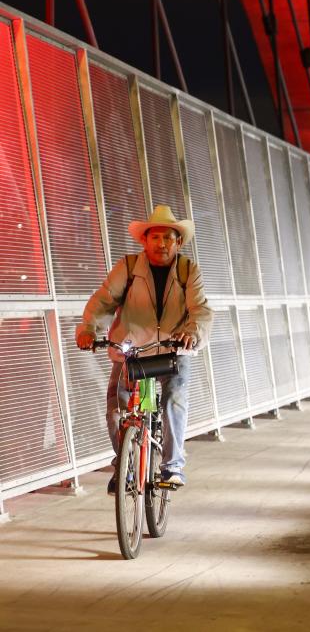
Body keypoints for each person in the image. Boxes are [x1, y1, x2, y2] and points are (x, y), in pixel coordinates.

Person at [75, 205, 212, 493]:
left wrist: (192, 332)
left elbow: (200, 310)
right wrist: (89, 330)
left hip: (173, 349)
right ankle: (123, 464)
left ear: (178, 242)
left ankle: (172, 467)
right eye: (155, 237)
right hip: (133, 351)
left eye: (168, 238)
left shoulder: (188, 271)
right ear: (144, 241)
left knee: (174, 398)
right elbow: (103, 301)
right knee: (116, 406)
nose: (161, 244)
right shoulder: (127, 268)